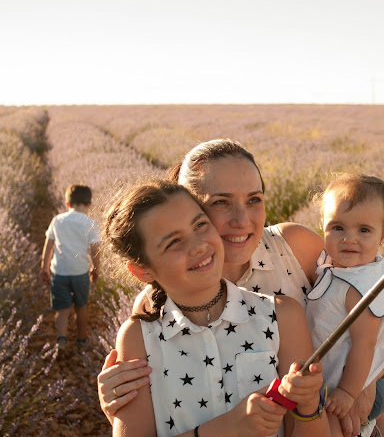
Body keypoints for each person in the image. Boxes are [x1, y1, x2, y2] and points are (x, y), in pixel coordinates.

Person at [97, 139, 384, 437]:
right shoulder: (154, 309)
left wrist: (367, 381)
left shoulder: (294, 248)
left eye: (254, 199)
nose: (242, 220)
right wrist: (117, 405)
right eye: (220, 203)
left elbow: (373, 301)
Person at [104, 179, 328, 437]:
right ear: (142, 270)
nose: (199, 245)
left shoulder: (281, 316)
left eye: (200, 225)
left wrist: (309, 404)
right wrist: (225, 429)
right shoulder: (139, 337)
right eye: (173, 242)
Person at [306, 174, 384, 437]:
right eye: (338, 228)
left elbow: (365, 344)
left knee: (333, 427)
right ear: (322, 225)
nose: (349, 239)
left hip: (364, 381)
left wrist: (348, 392)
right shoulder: (344, 268)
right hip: (363, 375)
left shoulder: (361, 287)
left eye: (363, 230)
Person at [40, 184, 101, 351]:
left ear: (67, 204)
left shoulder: (58, 220)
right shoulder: (90, 223)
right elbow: (95, 251)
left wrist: (44, 268)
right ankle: (81, 340)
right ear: (89, 204)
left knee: (62, 307)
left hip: (59, 271)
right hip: (80, 271)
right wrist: (96, 269)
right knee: (81, 306)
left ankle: (61, 339)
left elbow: (48, 246)